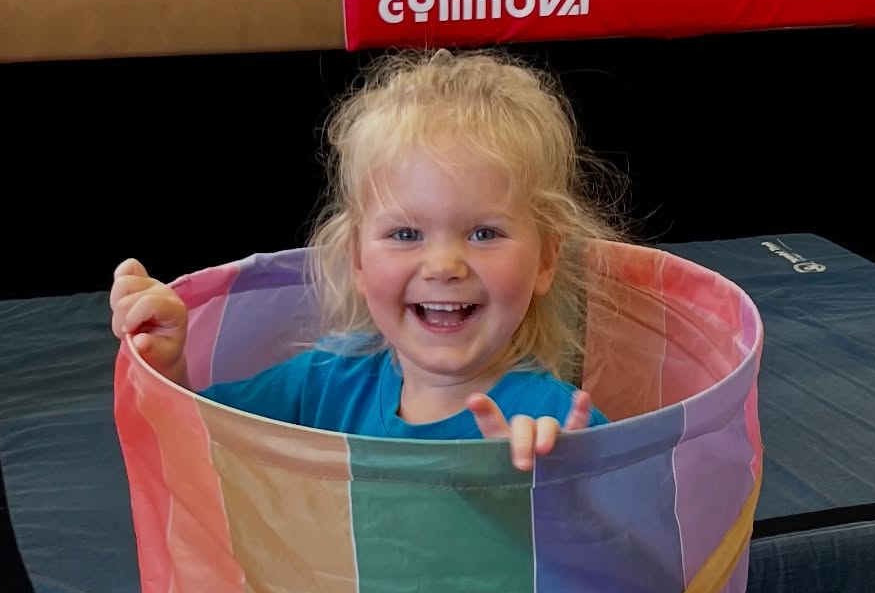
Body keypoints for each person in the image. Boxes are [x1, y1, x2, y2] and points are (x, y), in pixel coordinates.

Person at [109, 50, 624, 470]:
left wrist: (561, 494)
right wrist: (168, 364)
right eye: (405, 233)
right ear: (356, 257)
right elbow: (202, 444)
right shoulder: (325, 382)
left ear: (547, 259)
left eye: (484, 233)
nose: (444, 264)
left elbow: (639, 576)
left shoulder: (555, 426)